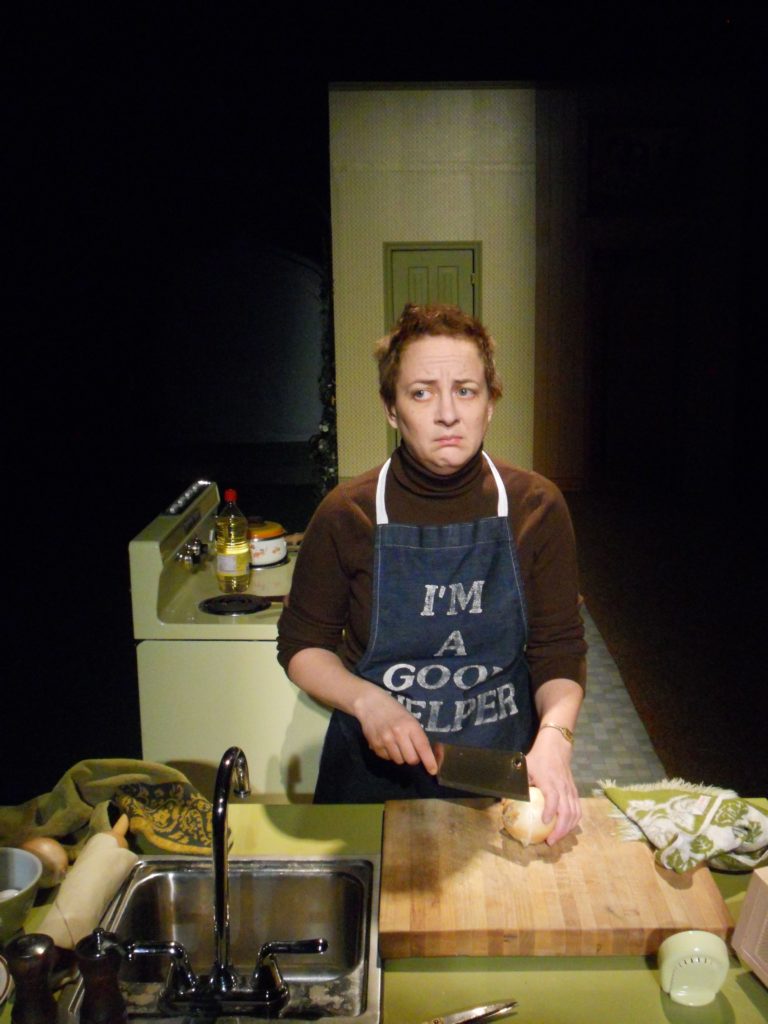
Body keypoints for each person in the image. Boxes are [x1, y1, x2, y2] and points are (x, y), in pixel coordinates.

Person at [277, 304, 586, 843]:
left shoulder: (538, 506)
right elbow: (302, 645)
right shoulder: (345, 513)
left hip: (498, 773)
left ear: (491, 403)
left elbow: (558, 648)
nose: (448, 413)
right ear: (392, 409)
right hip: (371, 780)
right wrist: (366, 701)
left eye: (466, 390)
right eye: (421, 392)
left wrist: (555, 739)